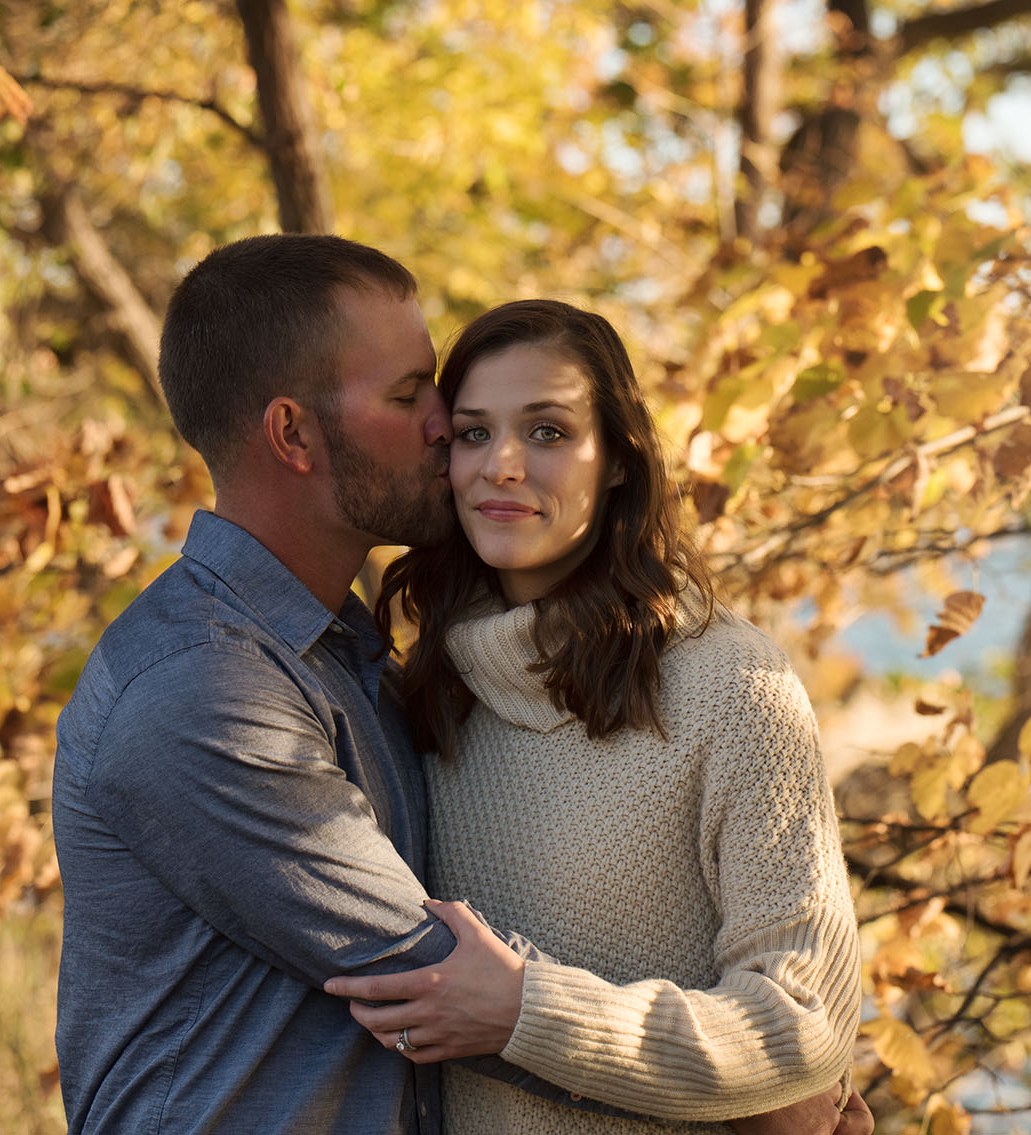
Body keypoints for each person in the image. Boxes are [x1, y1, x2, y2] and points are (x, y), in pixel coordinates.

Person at [52, 235, 865, 1135]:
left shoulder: (364, 662)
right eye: (419, 401)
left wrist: (766, 1070)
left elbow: (792, 1008)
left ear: (620, 457)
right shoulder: (206, 687)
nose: (452, 435)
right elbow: (433, 973)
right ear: (292, 433)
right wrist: (761, 1098)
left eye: (546, 430)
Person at [327, 299, 866, 1133]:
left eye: (547, 431)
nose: (503, 465)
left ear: (617, 457)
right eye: (473, 433)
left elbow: (806, 1019)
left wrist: (529, 1011)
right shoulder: (425, 688)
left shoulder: (729, 684)